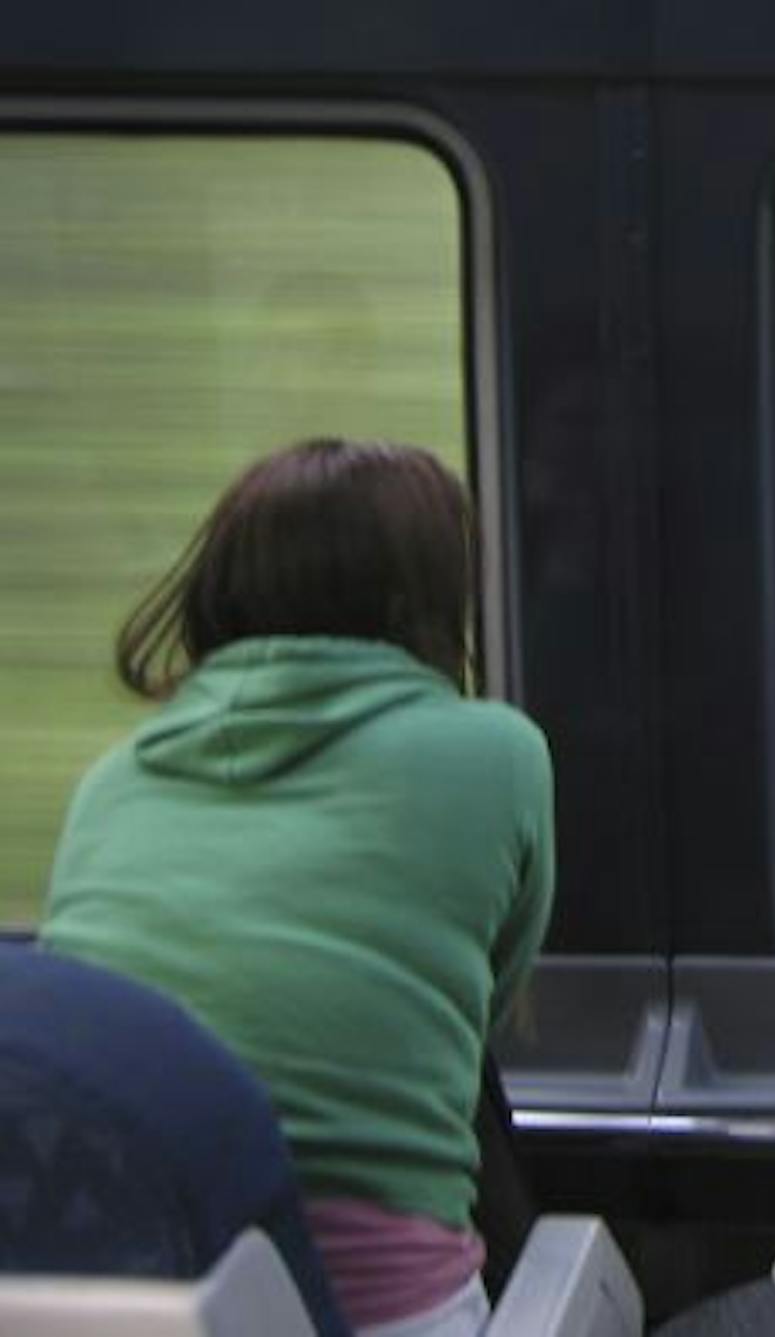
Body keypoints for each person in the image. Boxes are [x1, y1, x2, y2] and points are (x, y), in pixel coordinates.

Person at [40, 438, 555, 1337]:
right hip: (377, 1303)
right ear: (429, 602)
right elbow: (486, 999)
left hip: (120, 1291)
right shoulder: (498, 754)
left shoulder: (112, 779)